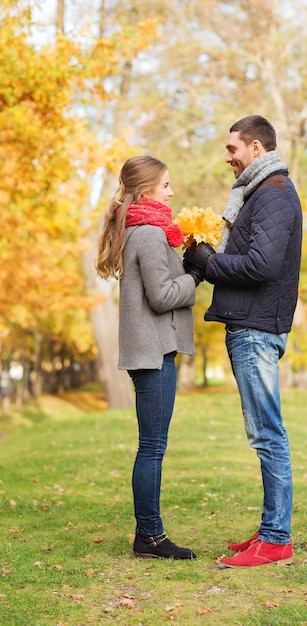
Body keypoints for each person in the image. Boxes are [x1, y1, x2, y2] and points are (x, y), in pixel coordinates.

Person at [183, 115, 302, 567]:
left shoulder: (272, 195)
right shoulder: (262, 193)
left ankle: (276, 539)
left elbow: (260, 265)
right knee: (265, 432)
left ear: (256, 148)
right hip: (251, 326)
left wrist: (209, 263)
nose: (228, 156)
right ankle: (271, 527)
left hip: (255, 330)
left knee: (267, 434)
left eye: (234, 148)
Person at [96, 155, 200, 560]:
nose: (172, 192)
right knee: (153, 446)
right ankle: (151, 537)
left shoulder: (140, 229)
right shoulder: (149, 234)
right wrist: (194, 275)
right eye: (167, 185)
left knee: (151, 444)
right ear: (146, 191)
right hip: (153, 352)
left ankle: (149, 535)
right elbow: (161, 297)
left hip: (148, 350)